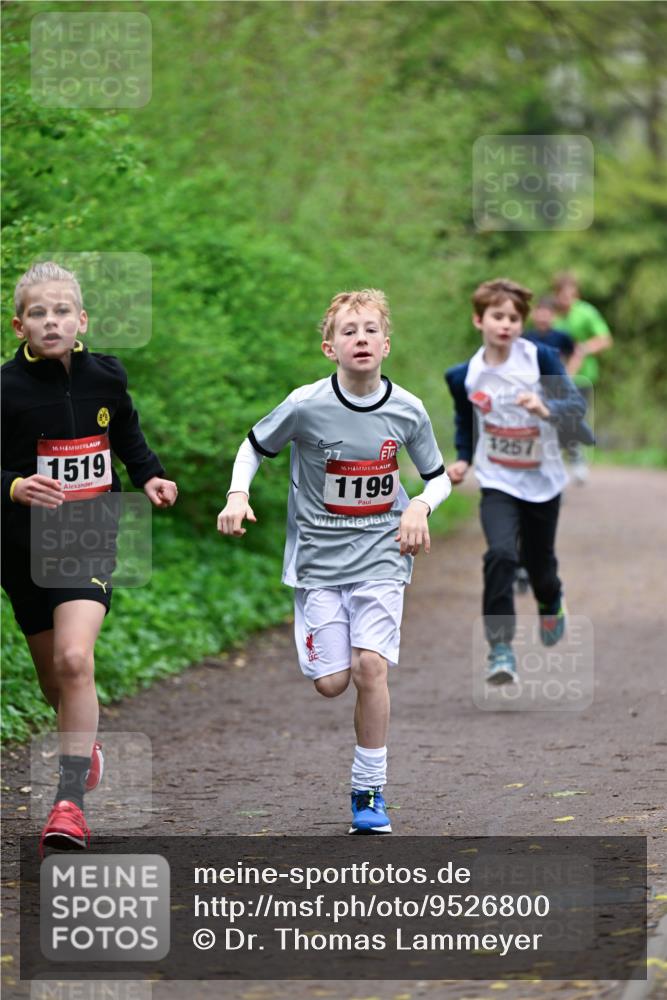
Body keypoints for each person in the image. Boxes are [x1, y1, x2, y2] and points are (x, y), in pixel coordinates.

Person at [217, 289, 450, 833]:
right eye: (349, 331)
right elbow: (253, 446)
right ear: (330, 348)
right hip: (318, 563)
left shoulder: (408, 409)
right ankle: (328, 670)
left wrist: (417, 505)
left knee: (373, 669)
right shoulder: (305, 405)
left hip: (381, 556)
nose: (361, 338)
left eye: (370, 330)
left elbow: (437, 478)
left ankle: (368, 792)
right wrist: (237, 495)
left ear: (386, 345)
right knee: (331, 683)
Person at [1, 261, 177, 853]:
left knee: (76, 659)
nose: (51, 322)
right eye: (38, 313)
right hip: (20, 545)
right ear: (19, 325)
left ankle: (69, 801)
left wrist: (149, 475)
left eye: (61, 311)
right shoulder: (4, 388)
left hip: (88, 536)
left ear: (82, 319)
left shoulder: (107, 375)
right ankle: (86, 743)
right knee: (55, 676)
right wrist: (14, 485)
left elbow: (124, 431)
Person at [445, 278, 587, 685]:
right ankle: (501, 648)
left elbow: (574, 410)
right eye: (497, 316)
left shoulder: (540, 358)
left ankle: (551, 599)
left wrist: (544, 407)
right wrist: (462, 459)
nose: (505, 324)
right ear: (479, 320)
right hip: (498, 481)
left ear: (521, 324)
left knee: (540, 567)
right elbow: (466, 422)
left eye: (513, 318)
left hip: (543, 481)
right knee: (501, 556)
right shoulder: (464, 376)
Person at [552, 272, 613, 484]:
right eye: (562, 295)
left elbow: (605, 339)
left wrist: (583, 349)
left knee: (572, 417)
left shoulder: (586, 312)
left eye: (571, 294)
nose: (567, 299)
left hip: (582, 376)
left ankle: (576, 460)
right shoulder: (552, 315)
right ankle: (559, 463)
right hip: (556, 375)